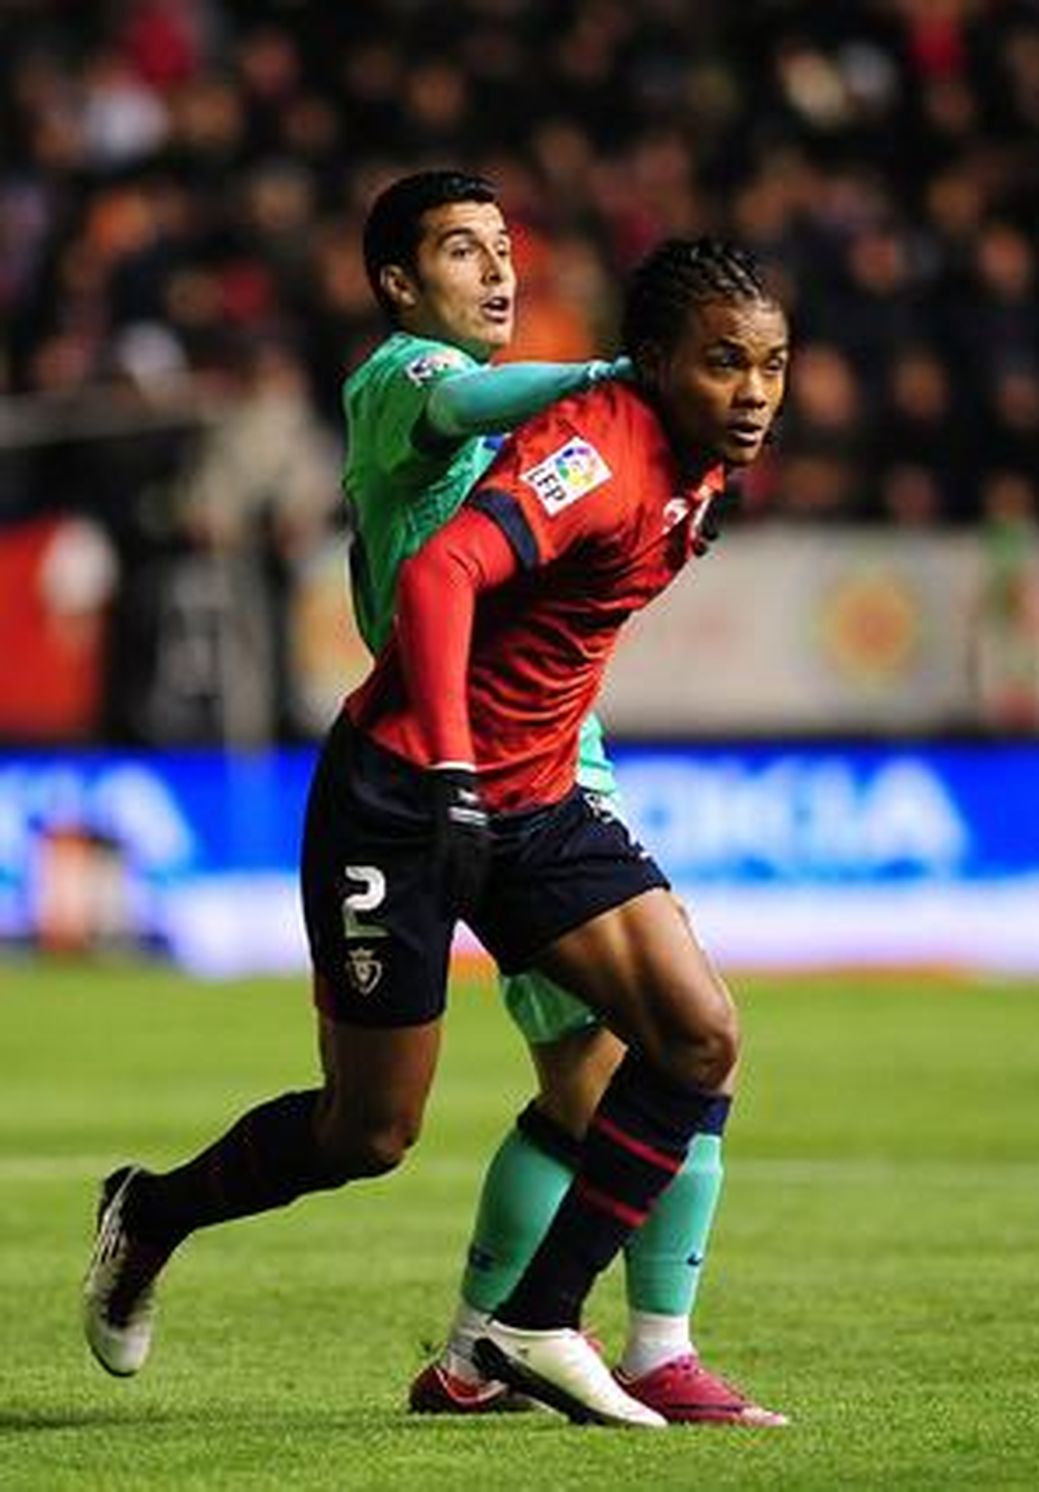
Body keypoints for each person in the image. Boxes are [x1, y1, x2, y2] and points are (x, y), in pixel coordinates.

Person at [82, 231, 791, 1429]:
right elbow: (442, 572)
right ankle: (150, 1212)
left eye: (773, 366)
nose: (756, 392)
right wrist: (457, 769)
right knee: (368, 1130)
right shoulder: (530, 423)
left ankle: (531, 1329)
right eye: (727, 365)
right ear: (655, 360)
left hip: (541, 796)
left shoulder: (692, 456)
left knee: (694, 1036)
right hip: (407, 793)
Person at [334, 169, 780, 1423]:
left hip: (543, 750)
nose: (496, 271)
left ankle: (512, 1349)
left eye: (504, 248)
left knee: (657, 1052)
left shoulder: (666, 456)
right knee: (615, 1075)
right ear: (398, 284)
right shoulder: (404, 381)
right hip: (455, 757)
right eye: (463, 251)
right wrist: (606, 381)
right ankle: (577, 1343)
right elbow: (471, 440)